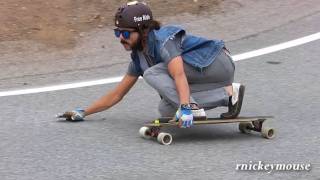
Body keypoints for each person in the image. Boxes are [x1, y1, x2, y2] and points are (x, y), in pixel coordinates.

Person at [59, 1, 245, 128]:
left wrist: (187, 108)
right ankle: (228, 95)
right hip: (203, 73)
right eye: (117, 33)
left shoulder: (163, 39)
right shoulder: (139, 57)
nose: (120, 39)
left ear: (143, 29)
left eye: (124, 34)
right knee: (165, 109)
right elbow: (117, 94)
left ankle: (193, 109)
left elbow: (179, 74)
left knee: (153, 75)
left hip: (217, 63)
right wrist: (83, 112)